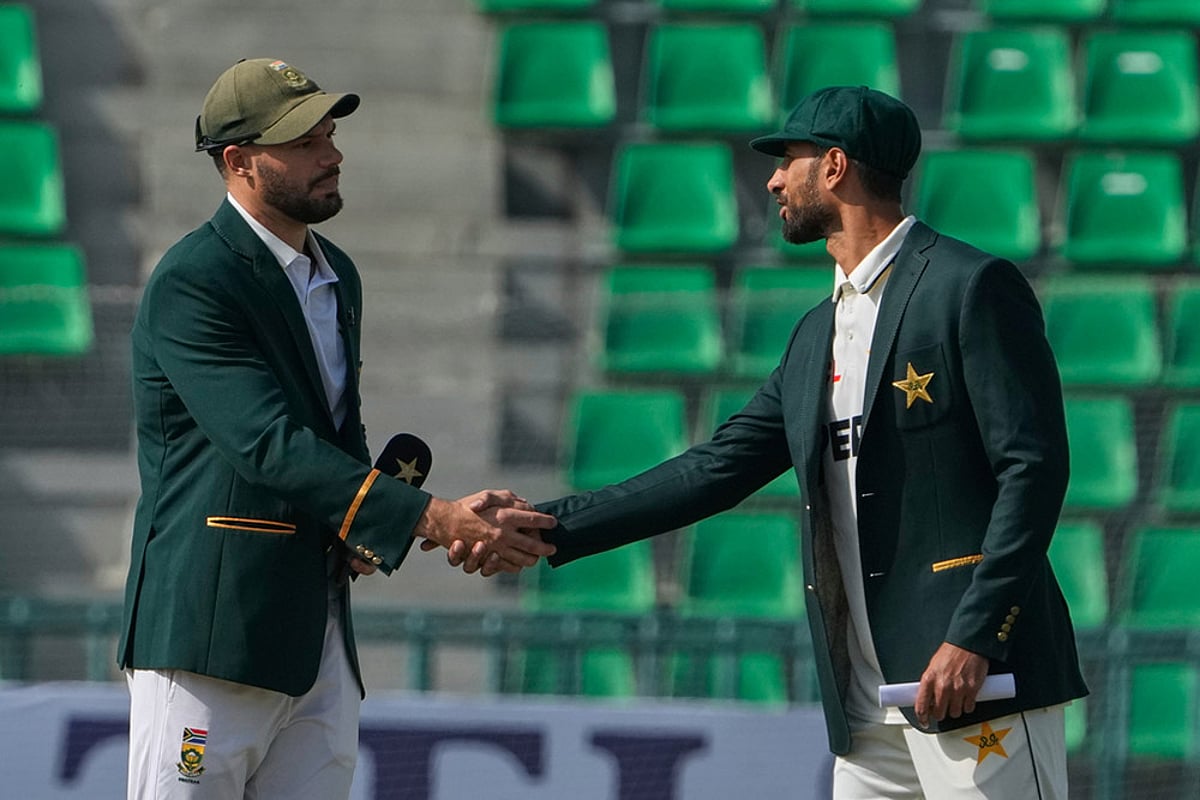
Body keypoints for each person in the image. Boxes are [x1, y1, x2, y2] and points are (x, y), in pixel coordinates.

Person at [452, 85, 1088, 798]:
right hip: (867, 704)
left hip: (973, 685)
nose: (774, 178)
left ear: (837, 167)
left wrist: (977, 633)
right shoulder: (818, 330)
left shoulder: (970, 287)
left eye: (790, 159)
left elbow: (1034, 470)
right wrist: (547, 527)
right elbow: (715, 469)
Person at [118, 57, 556, 800]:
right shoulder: (194, 280)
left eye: (329, 134)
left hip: (317, 638)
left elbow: (336, 433)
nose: (332, 154)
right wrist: (434, 517)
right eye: (304, 142)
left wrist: (368, 530)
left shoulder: (337, 273)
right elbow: (267, 445)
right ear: (238, 161)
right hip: (210, 640)